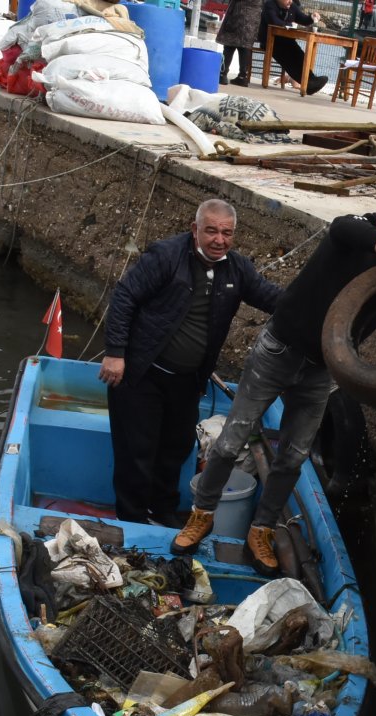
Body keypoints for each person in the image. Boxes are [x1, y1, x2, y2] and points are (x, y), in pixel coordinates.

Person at [171, 192, 376, 570]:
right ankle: (202, 514)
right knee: (232, 440)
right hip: (280, 351)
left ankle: (261, 529)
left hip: (323, 369)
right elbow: (345, 228)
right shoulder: (357, 231)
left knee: (293, 456)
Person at [99, 199, 283, 526]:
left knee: (177, 450)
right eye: (211, 230)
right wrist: (115, 352)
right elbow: (125, 296)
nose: (219, 239)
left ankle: (163, 514)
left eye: (227, 233)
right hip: (142, 375)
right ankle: (131, 522)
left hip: (187, 382)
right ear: (195, 229)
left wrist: (315, 305)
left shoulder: (237, 269)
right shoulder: (166, 256)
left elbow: (271, 298)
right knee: (138, 453)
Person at [258, 0, 328, 95]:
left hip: (286, 41)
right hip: (270, 41)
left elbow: (303, 19)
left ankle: (312, 80)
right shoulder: (270, 5)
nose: (290, 1)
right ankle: (307, 83)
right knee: (289, 58)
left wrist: (312, 17)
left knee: (299, 54)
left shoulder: (292, 6)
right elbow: (274, 21)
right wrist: (288, 25)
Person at [216, 0, 263, 87]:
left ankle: (223, 74)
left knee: (230, 44)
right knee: (245, 45)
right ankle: (242, 77)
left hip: (239, 11)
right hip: (253, 15)